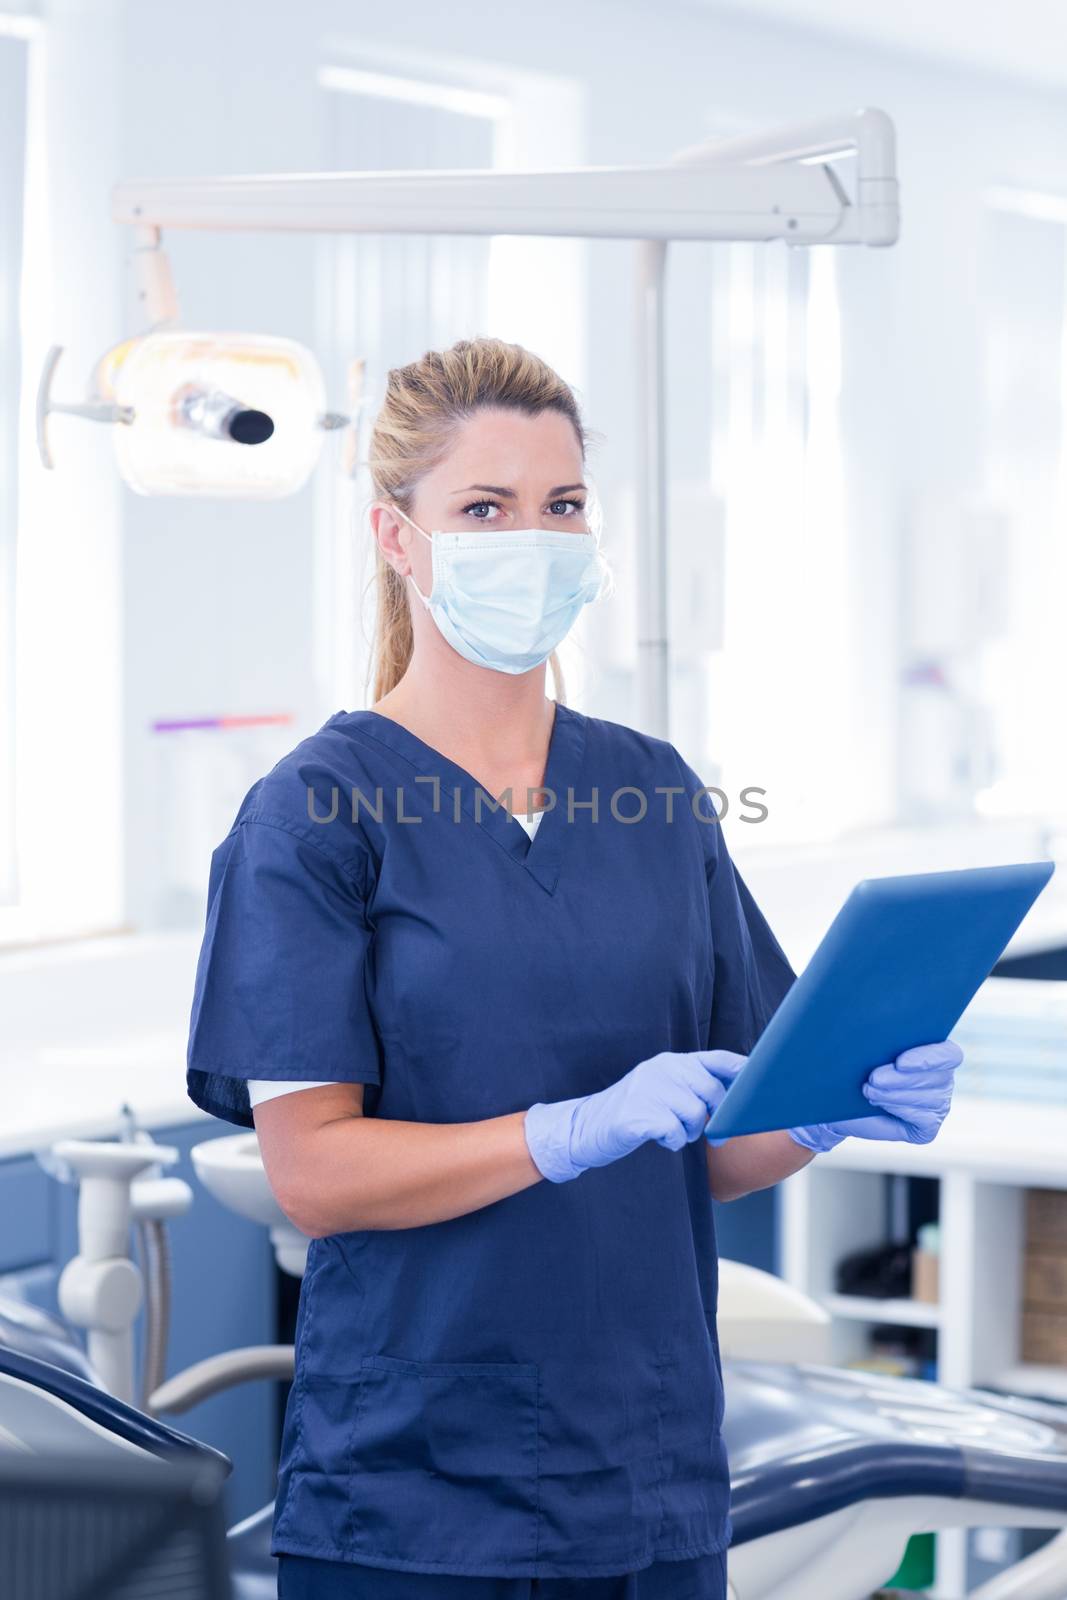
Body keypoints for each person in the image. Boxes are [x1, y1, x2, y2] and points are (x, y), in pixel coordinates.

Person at [186, 336, 963, 1600]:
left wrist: (822, 1108)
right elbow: (313, 1170)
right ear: (397, 538)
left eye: (560, 506)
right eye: (482, 510)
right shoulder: (317, 811)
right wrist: (559, 1131)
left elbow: (708, 1155)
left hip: (648, 1477)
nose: (530, 540)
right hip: (416, 1495)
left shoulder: (650, 789)